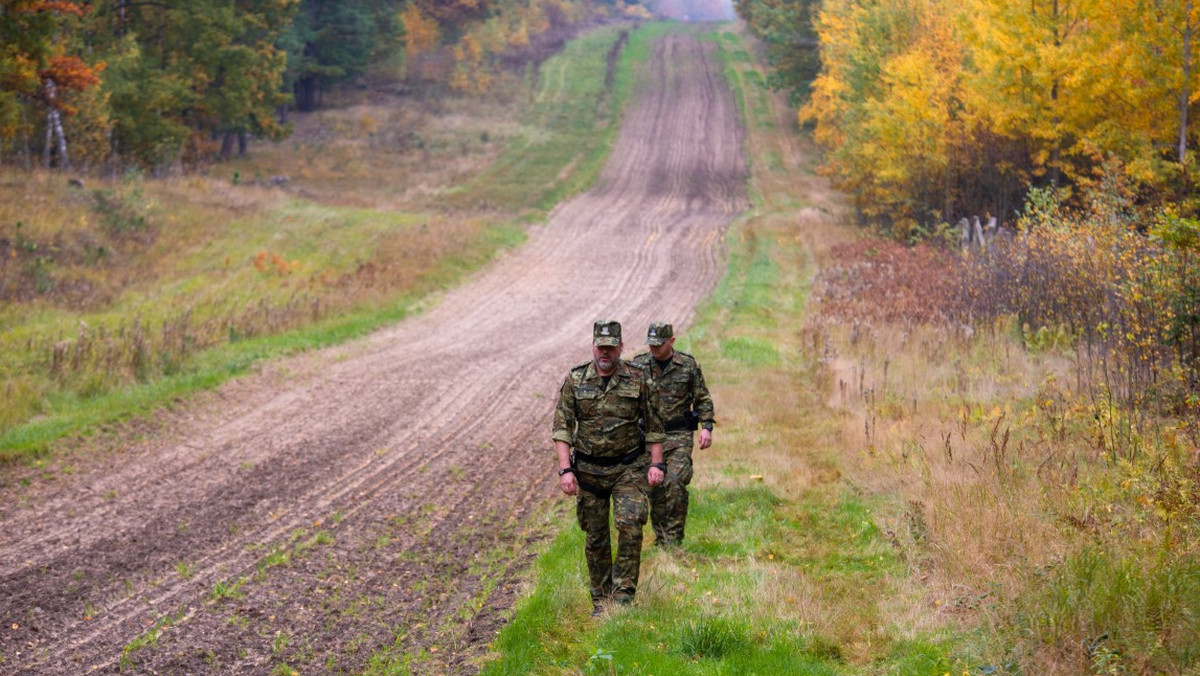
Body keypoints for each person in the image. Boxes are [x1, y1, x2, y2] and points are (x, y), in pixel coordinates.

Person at [553, 320, 666, 614]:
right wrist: (565, 471)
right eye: (601, 347)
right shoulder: (576, 380)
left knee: (630, 525)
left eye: (611, 347)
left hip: (628, 467)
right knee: (595, 536)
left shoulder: (638, 379)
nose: (605, 353)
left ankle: (624, 597)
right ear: (593, 346)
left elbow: (655, 426)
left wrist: (656, 464)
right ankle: (601, 600)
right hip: (589, 472)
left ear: (621, 347)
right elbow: (562, 429)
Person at [631, 322, 714, 547]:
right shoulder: (638, 366)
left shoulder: (686, 365)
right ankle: (662, 537)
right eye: (651, 345)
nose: (654, 349)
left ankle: (674, 540)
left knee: (675, 482)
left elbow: (702, 398)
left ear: (672, 341)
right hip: (647, 439)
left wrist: (706, 426)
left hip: (678, 435)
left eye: (659, 345)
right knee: (655, 487)